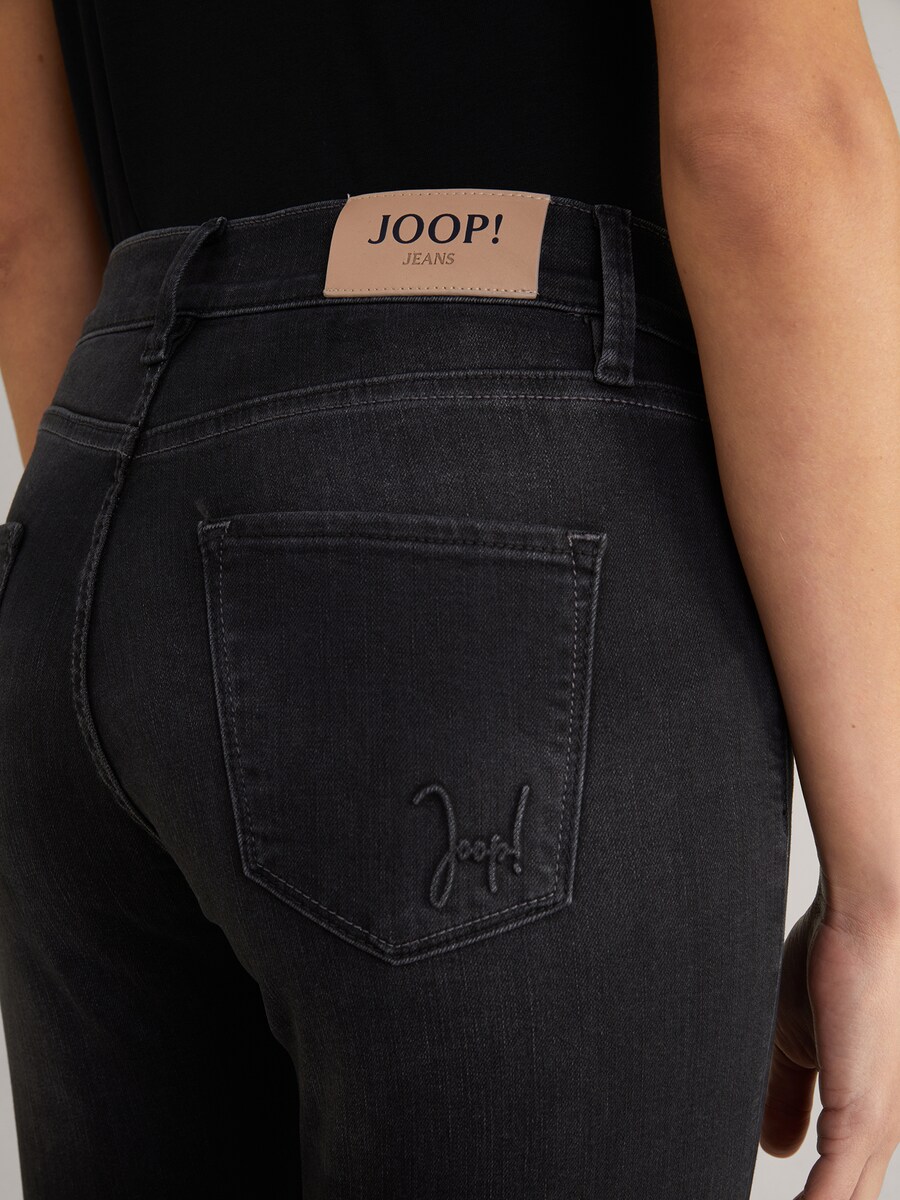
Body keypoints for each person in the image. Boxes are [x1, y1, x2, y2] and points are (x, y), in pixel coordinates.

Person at [0, 0, 897, 1197]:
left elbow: (23, 227)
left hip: (89, 528)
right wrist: (884, 886)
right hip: (501, 510)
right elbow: (767, 123)